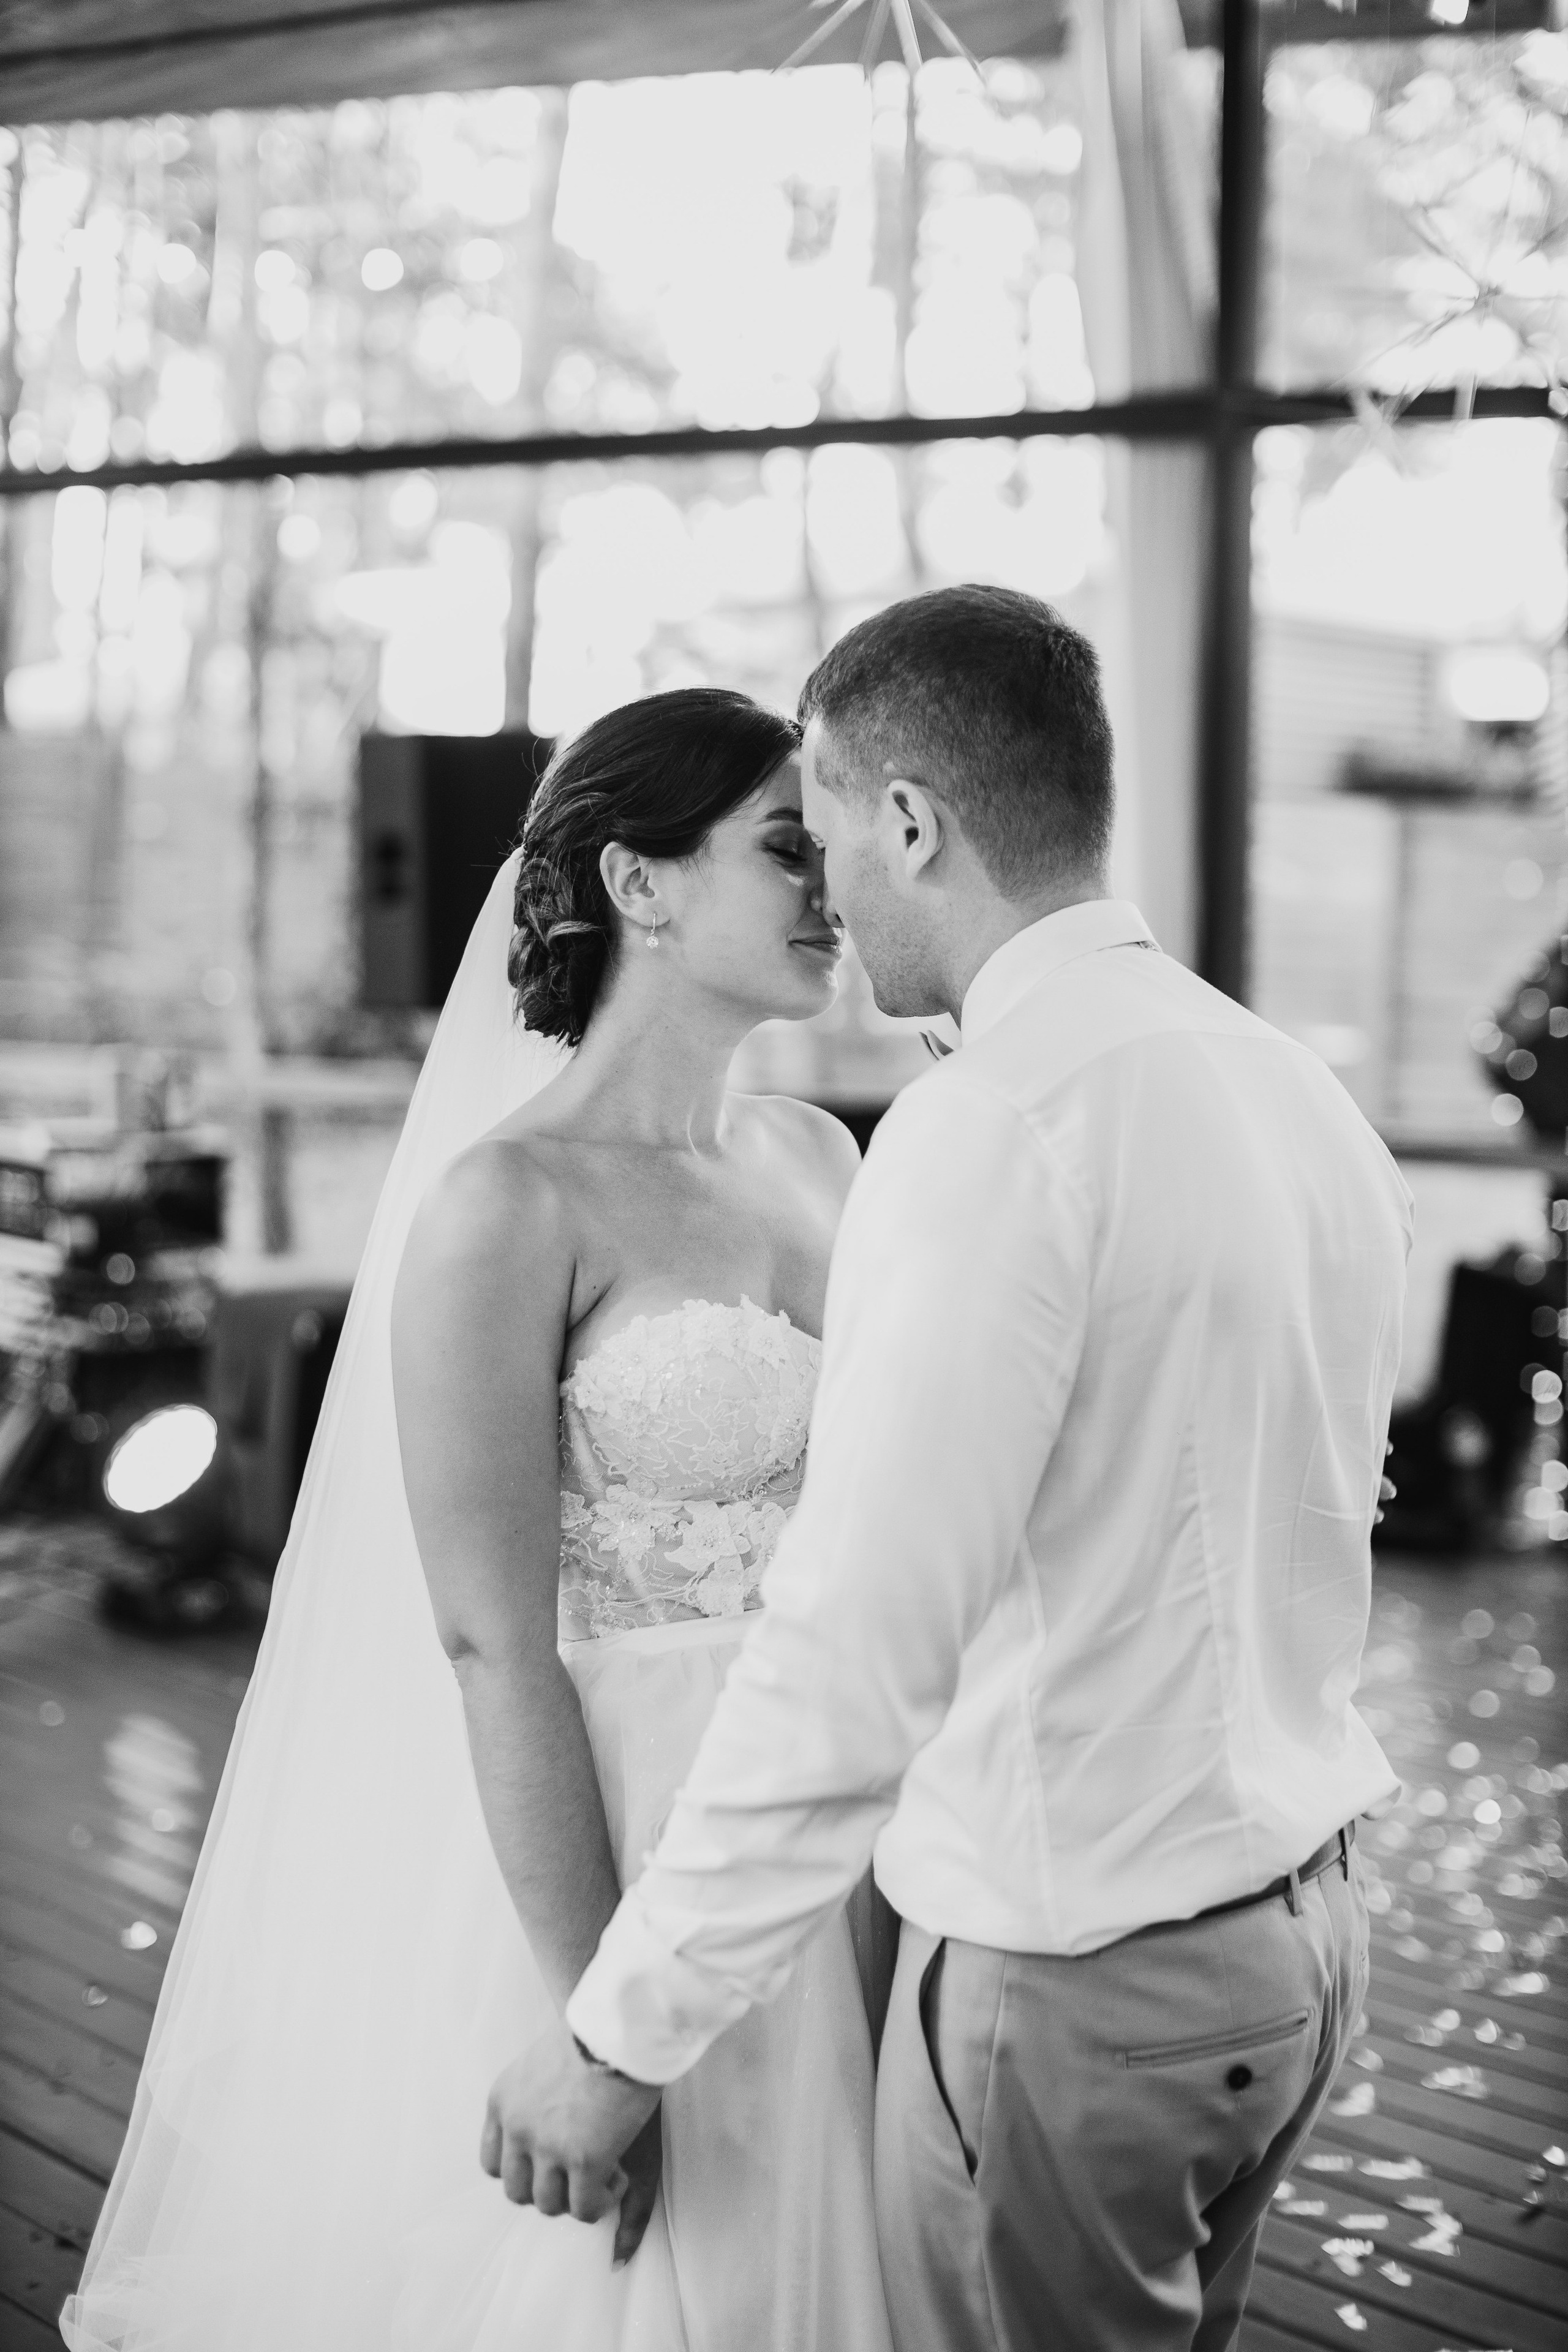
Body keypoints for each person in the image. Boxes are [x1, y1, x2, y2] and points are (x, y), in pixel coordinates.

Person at [481, 586, 1413, 2352]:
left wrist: (619, 2038)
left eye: (824, 828)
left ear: (911, 818)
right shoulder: (1290, 1090)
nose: (827, 888)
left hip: (1078, 1988)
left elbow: (859, 1649)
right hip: (1296, 1951)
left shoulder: (988, 1129)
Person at [61, 687, 893, 2352]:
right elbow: (494, 1639)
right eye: (789, 848)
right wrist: (608, 2027)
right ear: (638, 885)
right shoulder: (508, 1206)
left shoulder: (817, 1149)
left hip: (858, 1809)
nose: (839, 890)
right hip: (633, 1831)